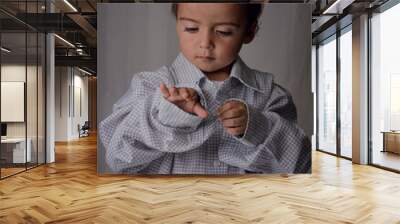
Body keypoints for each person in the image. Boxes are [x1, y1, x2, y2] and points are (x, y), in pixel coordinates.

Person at [99, 3, 311, 174]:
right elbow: (118, 160)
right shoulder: (151, 85)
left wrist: (257, 127)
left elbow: (299, 166)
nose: (205, 43)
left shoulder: (270, 94)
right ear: (178, 25)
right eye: (191, 28)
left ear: (250, 31)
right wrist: (165, 115)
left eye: (223, 31)